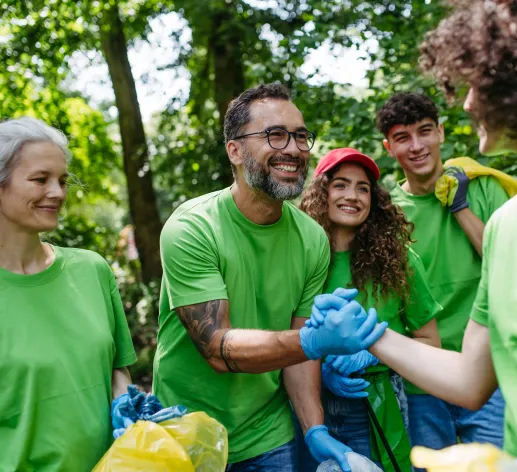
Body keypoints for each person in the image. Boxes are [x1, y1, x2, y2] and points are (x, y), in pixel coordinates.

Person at [322, 1, 517, 470]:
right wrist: (370, 336)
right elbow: (471, 379)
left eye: (480, 83)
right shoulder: (509, 226)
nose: (468, 102)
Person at [152, 83, 387, 472]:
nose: (293, 149)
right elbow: (216, 348)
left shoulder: (312, 238)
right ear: (235, 150)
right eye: (275, 135)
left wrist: (315, 430)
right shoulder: (193, 227)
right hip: (185, 434)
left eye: (300, 136)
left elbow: (298, 355)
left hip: (269, 435)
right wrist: (314, 340)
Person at [376, 92, 508, 459]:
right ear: (389, 147)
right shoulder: (386, 214)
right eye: (403, 137)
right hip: (424, 379)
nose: (417, 146)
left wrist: (461, 208)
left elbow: (510, 264)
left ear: (441, 134)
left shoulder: (481, 187)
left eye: (425, 131)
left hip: (489, 372)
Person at [0, 117, 136, 470]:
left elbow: (115, 370)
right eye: (40, 179)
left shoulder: (92, 270)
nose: (58, 193)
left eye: (61, 181)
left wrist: (128, 410)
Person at [297, 148, 443, 472]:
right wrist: (321, 370)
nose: (353, 196)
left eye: (363, 188)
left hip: (380, 402)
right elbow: (283, 337)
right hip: (311, 408)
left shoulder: (399, 261)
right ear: (322, 191)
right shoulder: (300, 260)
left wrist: (378, 353)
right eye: (341, 185)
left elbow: (432, 342)